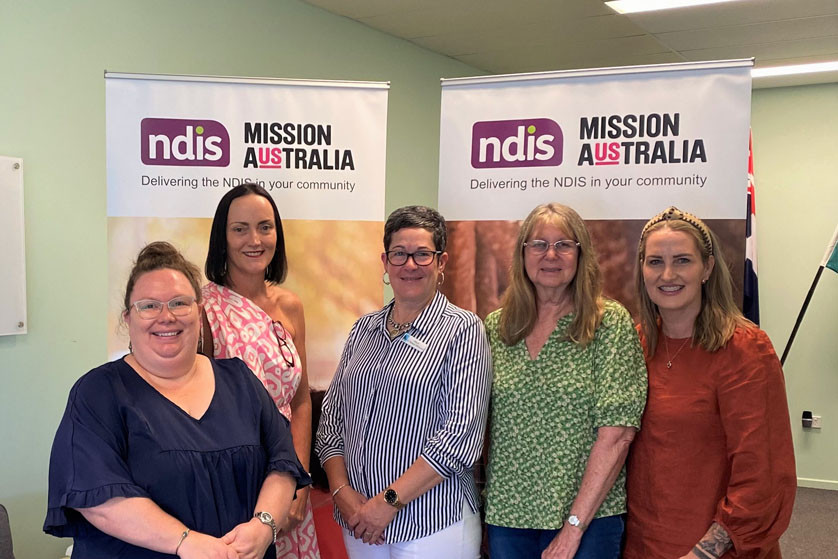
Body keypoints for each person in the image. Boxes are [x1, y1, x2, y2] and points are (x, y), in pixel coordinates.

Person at [45, 241, 309, 559]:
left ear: (198, 312)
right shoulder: (98, 393)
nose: (166, 316)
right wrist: (185, 541)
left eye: (179, 303)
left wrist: (264, 526)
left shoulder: (240, 380)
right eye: (149, 306)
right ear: (128, 318)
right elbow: (97, 500)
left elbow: (282, 465)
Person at [315, 205, 492, 558]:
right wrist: (341, 492)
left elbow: (459, 440)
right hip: (360, 521)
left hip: (433, 525)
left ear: (441, 262)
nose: (409, 265)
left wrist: (387, 503)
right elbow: (331, 420)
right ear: (385, 261)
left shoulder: (463, 330)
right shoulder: (363, 329)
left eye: (422, 254)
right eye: (399, 254)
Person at [624, 207, 796, 559]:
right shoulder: (635, 344)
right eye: (655, 262)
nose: (667, 274)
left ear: (707, 268)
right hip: (639, 544)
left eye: (683, 260)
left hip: (715, 550)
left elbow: (762, 475)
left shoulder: (745, 349)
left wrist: (703, 553)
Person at [483, 202, 647, 559]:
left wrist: (574, 527)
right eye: (538, 244)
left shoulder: (608, 324)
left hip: (589, 521)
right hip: (508, 517)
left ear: (580, 254)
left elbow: (618, 434)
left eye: (564, 245)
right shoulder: (498, 327)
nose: (551, 255)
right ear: (522, 254)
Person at [202, 183, 320, 559]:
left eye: (265, 227)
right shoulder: (203, 307)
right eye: (240, 229)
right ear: (222, 238)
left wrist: (299, 484)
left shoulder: (291, 305)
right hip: (233, 478)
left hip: (288, 476)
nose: (254, 239)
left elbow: (300, 401)